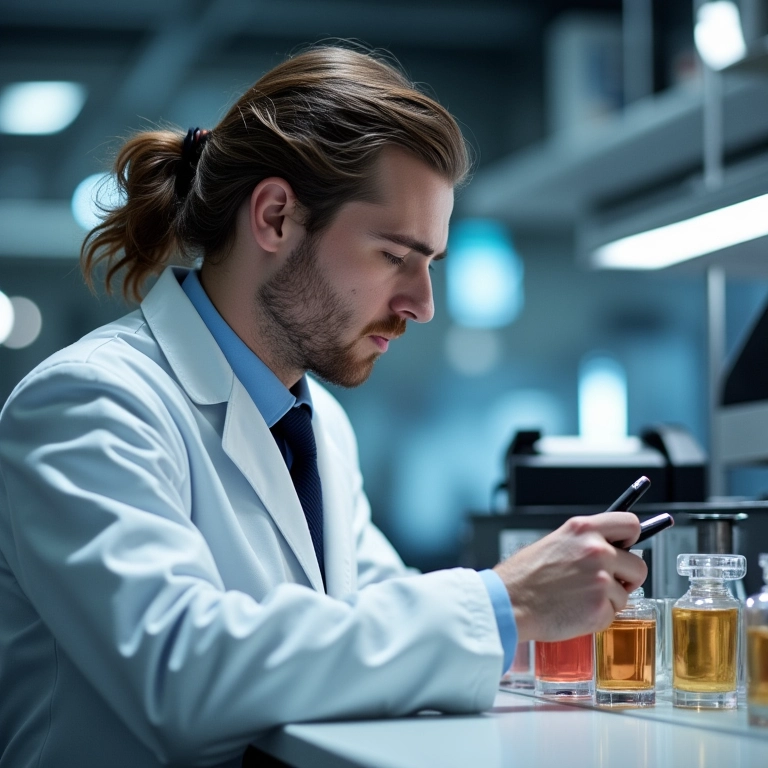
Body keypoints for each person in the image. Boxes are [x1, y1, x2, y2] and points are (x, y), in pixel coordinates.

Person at [0, 44, 645, 768]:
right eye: (394, 254)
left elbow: (371, 619)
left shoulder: (315, 423)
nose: (422, 304)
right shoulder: (92, 402)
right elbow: (181, 675)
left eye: (429, 263)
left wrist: (536, 602)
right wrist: (504, 603)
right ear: (275, 217)